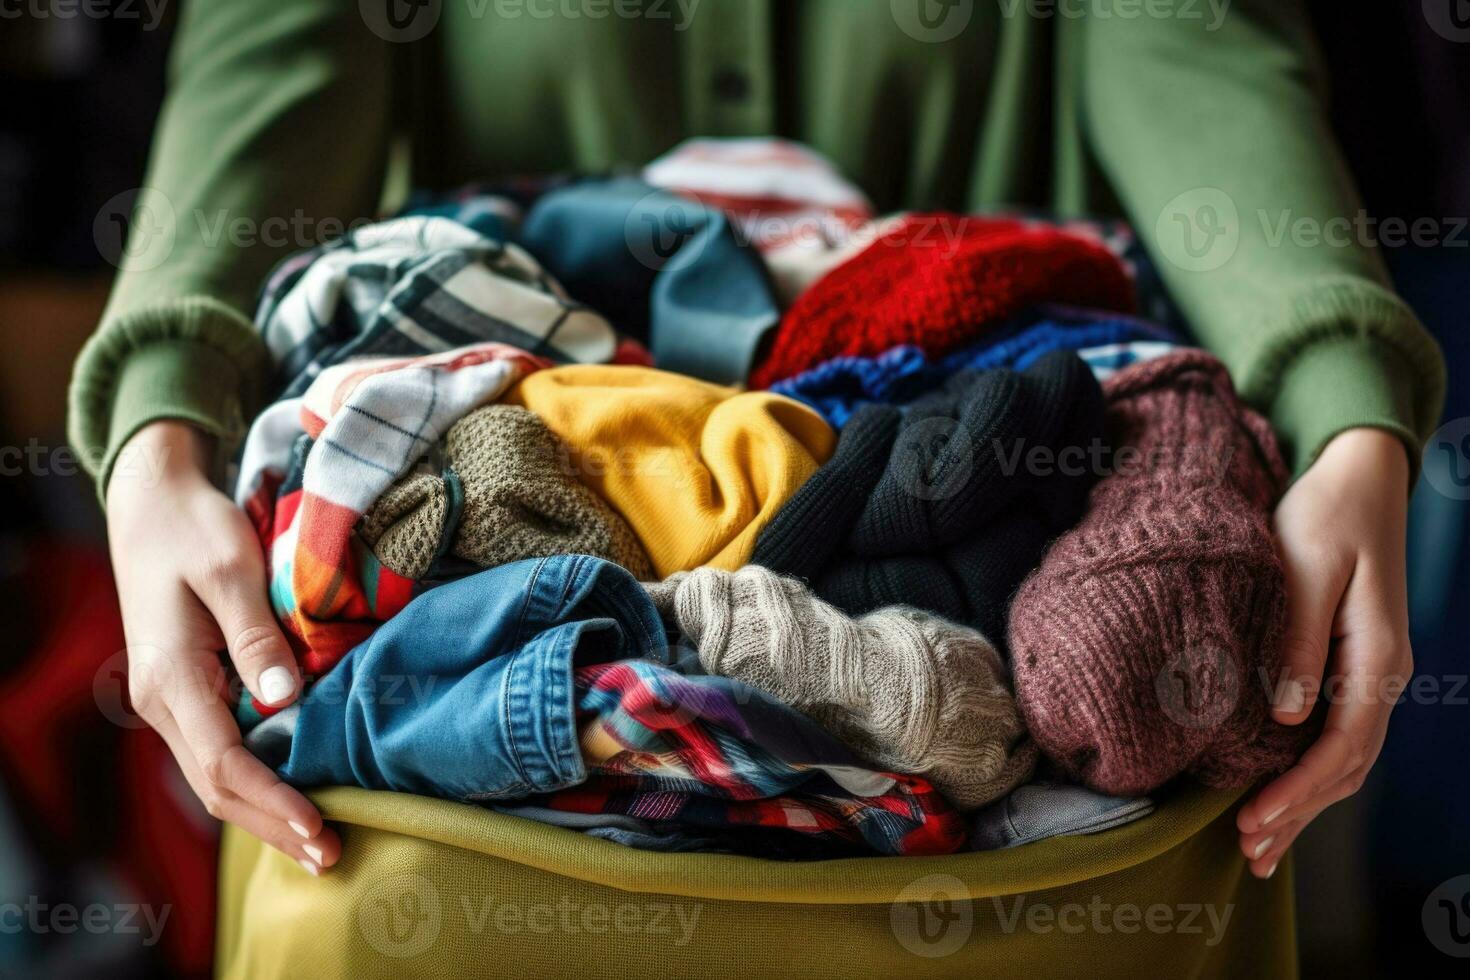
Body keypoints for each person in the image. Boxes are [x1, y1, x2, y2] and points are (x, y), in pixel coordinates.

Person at [69, 0, 1445, 881]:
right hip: (494, 770)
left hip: (1049, 516)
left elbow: (1196, 47)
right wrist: (161, 431)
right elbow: (270, 56)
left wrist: (1341, 411)